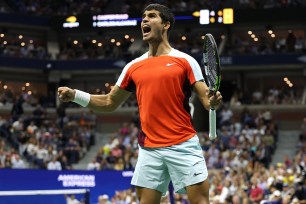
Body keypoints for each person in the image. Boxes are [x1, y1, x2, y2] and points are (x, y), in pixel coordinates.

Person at [58, 4, 222, 204]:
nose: (144, 20)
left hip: (183, 144)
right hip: (149, 149)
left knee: (201, 202)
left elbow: (206, 99)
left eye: (152, 16)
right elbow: (110, 102)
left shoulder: (185, 61)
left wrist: (213, 100)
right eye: (143, 17)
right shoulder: (132, 67)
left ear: (166, 25)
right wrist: (75, 95)